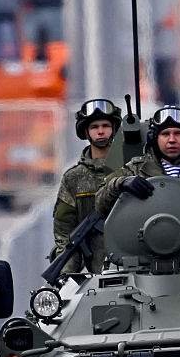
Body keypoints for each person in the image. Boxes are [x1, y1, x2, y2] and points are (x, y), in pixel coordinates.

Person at [51, 99, 122, 273]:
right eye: (94, 127)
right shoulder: (74, 178)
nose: (100, 131)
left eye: (105, 125)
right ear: (86, 131)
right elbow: (64, 234)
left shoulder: (131, 169)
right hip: (99, 275)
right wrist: (66, 276)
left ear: (113, 129)